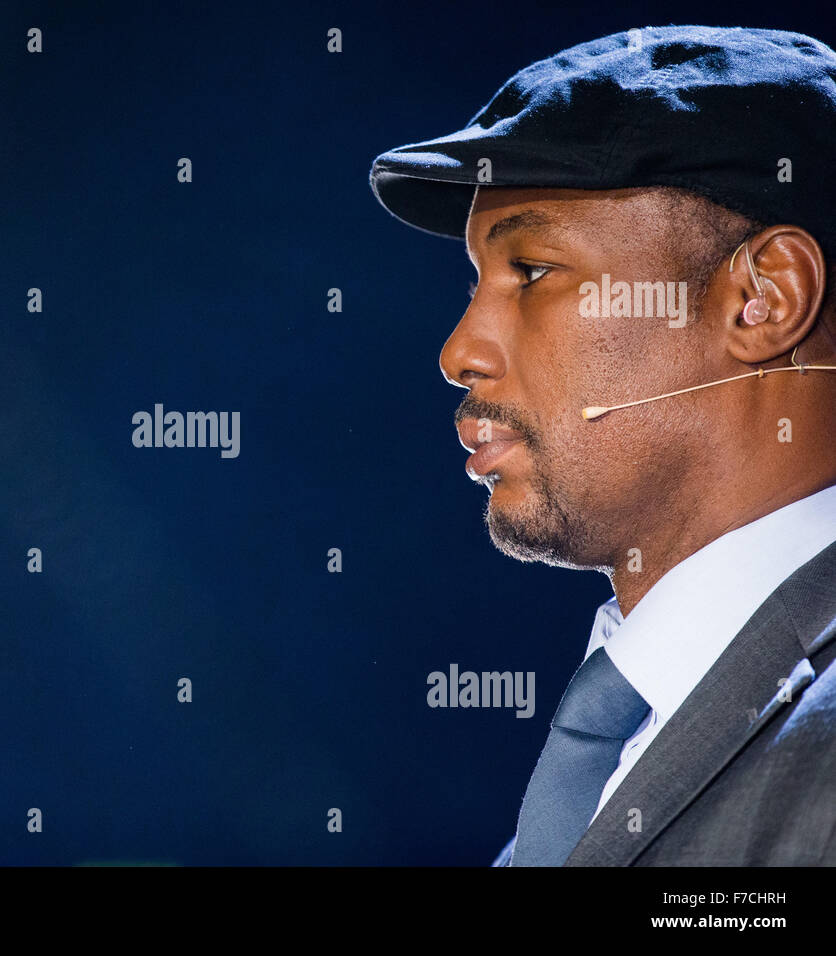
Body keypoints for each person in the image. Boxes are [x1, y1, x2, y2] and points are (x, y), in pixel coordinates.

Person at [369, 24, 836, 865]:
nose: (458, 353)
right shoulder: (619, 751)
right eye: (477, 282)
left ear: (763, 299)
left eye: (534, 273)